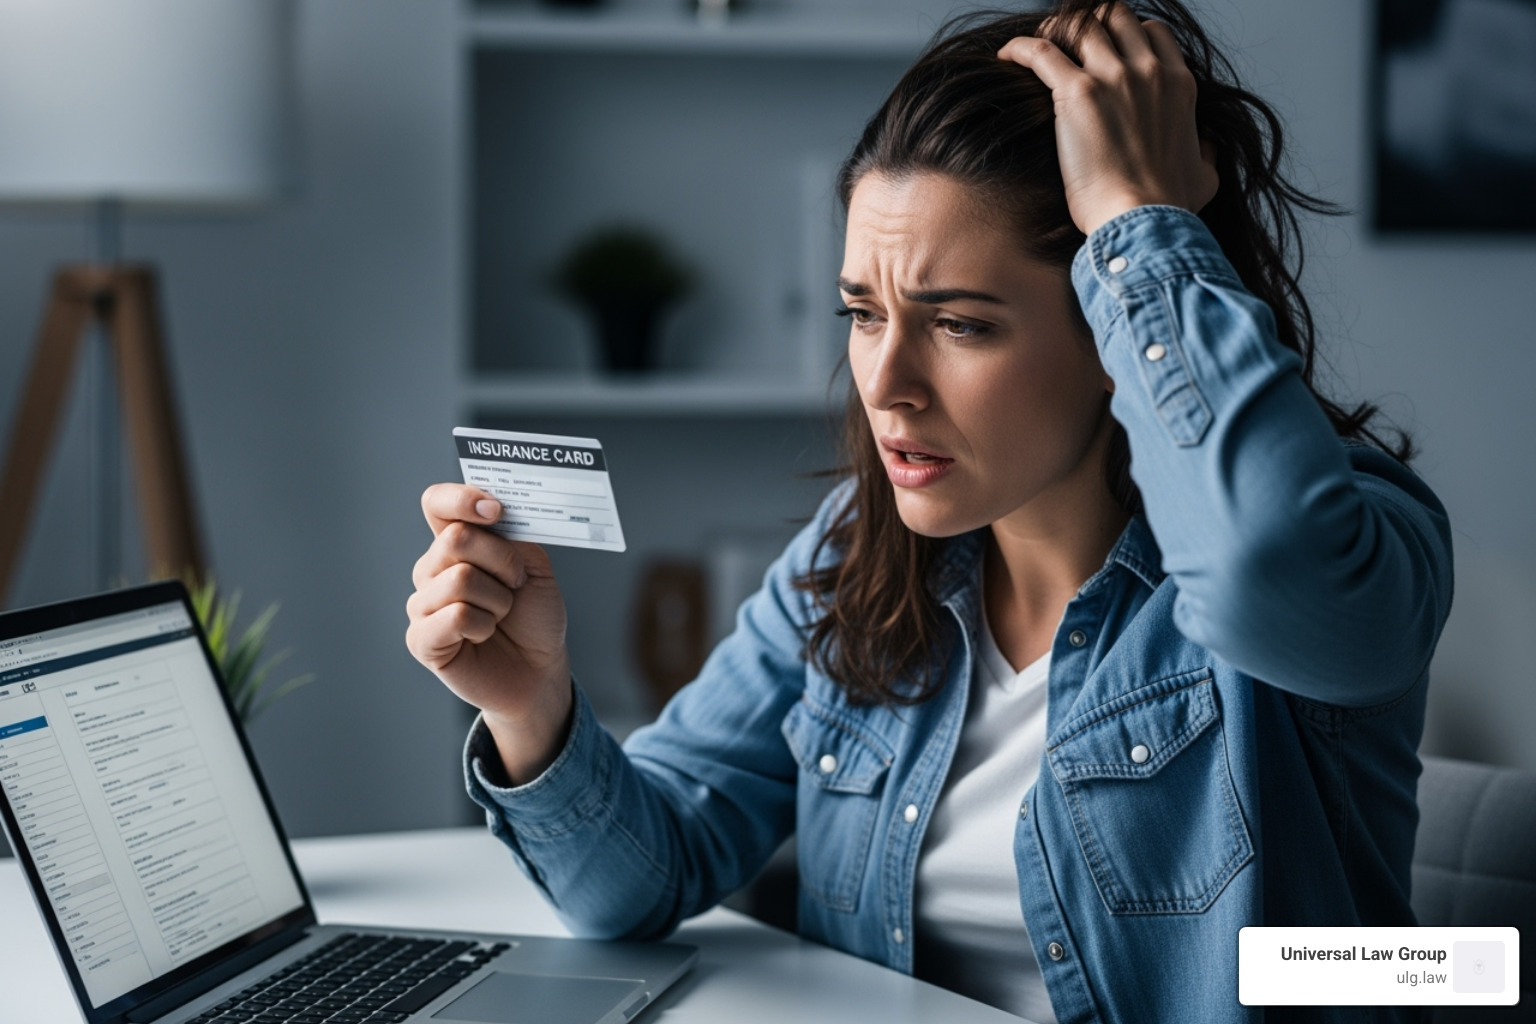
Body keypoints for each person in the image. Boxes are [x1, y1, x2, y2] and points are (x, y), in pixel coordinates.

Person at [405, 2, 1453, 1021]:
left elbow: (1266, 568)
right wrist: (530, 702)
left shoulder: (1357, 536)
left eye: (959, 324)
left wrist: (1139, 222)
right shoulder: (854, 558)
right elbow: (638, 882)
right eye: (863, 313)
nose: (884, 384)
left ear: (1113, 329)